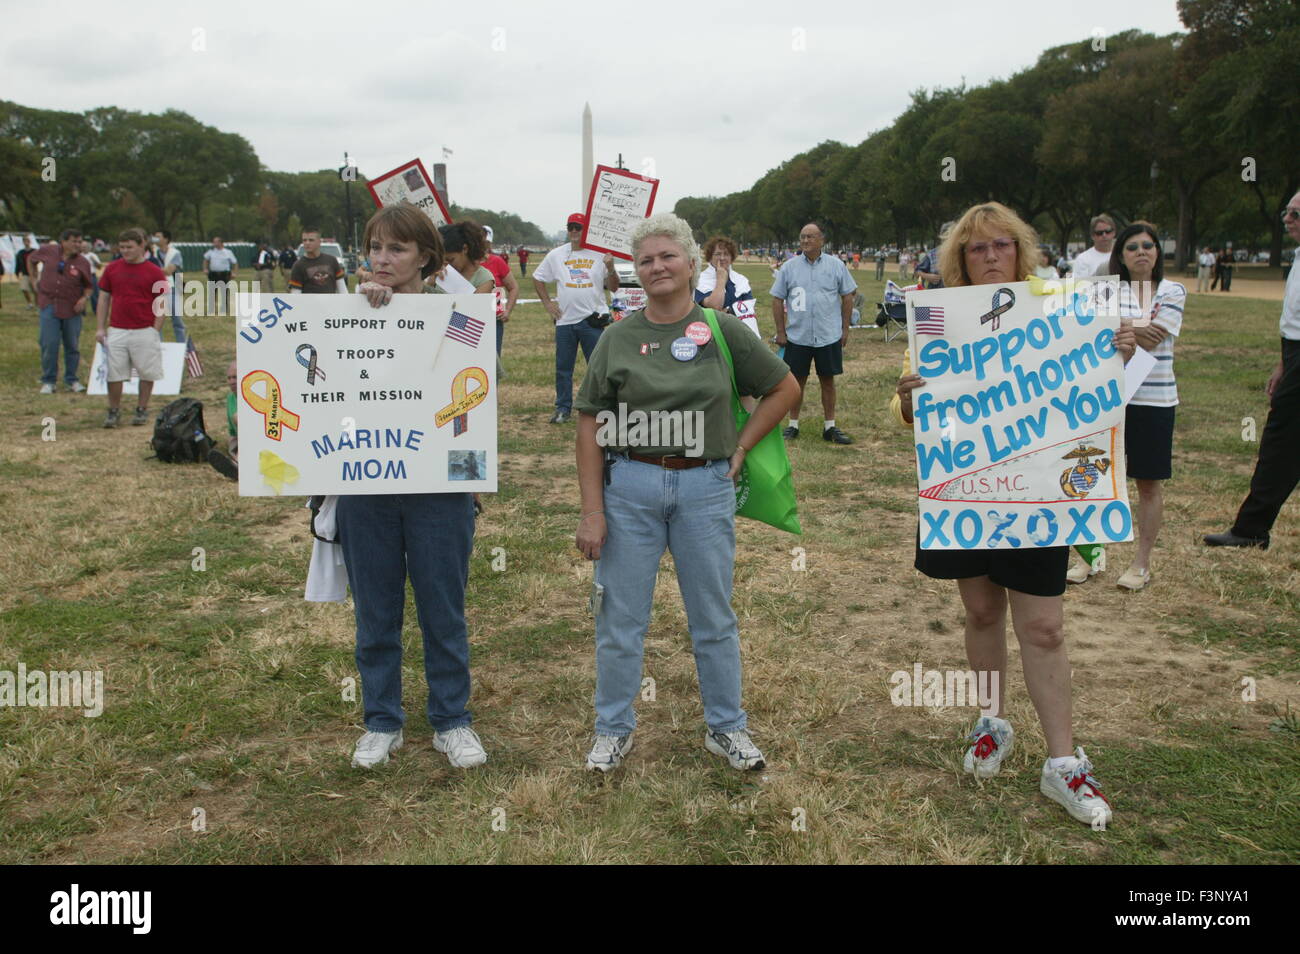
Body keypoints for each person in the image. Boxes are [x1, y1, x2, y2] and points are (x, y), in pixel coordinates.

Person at [892, 201, 1136, 827]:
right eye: (978, 249)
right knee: (979, 611)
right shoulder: (940, 319)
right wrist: (908, 398)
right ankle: (991, 721)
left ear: (1020, 251)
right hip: (968, 490)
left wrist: (1119, 351)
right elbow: (916, 416)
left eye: (1002, 245)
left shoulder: (1060, 309)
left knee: (1045, 628)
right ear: (960, 260)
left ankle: (1064, 762)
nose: (992, 256)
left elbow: (1091, 385)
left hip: (1038, 496)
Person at [573, 212, 800, 773]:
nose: (657, 267)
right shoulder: (618, 337)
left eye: (667, 256)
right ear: (636, 273)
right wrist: (592, 510)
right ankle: (613, 730)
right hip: (630, 486)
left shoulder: (722, 329)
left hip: (705, 488)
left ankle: (727, 728)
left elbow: (784, 387)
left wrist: (742, 445)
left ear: (692, 263)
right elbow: (588, 424)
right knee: (620, 620)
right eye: (646, 260)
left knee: (713, 618)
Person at [337, 203, 488, 771]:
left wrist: (474, 475)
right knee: (375, 613)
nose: (381, 259)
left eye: (396, 249)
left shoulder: (456, 314)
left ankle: (452, 720)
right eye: (374, 247)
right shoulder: (343, 310)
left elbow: (474, 381)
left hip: (438, 487)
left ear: (426, 256)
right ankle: (382, 721)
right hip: (364, 484)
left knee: (442, 610)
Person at [1068, 222, 1185, 590]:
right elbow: (1085, 330)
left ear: (1158, 252)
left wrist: (1115, 325)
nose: (1141, 252)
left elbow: (1153, 338)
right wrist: (1126, 327)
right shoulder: (1106, 289)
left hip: (1155, 399)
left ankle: (1140, 564)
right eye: (1132, 247)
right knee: (1091, 478)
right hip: (1107, 396)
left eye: (1148, 245)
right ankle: (1091, 559)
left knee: (1147, 483)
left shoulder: (1173, 290)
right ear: (1120, 254)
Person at [1205, 192, 1300, 550]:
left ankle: (1250, 529)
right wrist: (1282, 364)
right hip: (1293, 353)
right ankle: (1251, 527)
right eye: (1287, 212)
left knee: (1281, 442)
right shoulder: (1297, 256)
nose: (1288, 219)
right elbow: (1291, 322)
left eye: (1296, 214)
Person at [771, 221, 857, 444]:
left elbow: (848, 295)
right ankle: (793, 425)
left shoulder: (836, 266)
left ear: (822, 240)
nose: (806, 241)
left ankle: (830, 427)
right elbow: (777, 298)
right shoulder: (789, 268)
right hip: (797, 335)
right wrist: (781, 331)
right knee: (796, 381)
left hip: (827, 334)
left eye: (810, 237)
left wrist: (844, 329)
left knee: (827, 380)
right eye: (802, 237)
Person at [531, 213, 618, 423]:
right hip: (565, 322)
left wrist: (611, 267)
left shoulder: (600, 255)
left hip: (592, 320)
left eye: (578, 227)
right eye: (570, 227)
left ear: (586, 229)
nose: (574, 232)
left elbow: (614, 287)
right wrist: (548, 304)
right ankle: (562, 408)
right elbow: (538, 277)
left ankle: (602, 407)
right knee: (563, 368)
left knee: (597, 367)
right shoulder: (556, 255)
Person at [96, 228, 167, 428]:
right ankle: (113, 410)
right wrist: (100, 327)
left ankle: (142, 408)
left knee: (146, 372)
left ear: (141, 246)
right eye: (122, 247)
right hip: (117, 328)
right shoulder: (112, 269)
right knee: (114, 373)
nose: (125, 251)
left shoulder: (154, 271)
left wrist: (156, 328)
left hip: (145, 329)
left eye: (129, 247)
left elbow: (161, 301)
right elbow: (103, 298)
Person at [29, 229, 94, 394]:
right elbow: (31, 259)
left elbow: (89, 286)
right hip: (49, 304)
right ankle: (49, 381)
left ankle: (72, 379)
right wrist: (33, 278)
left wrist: (84, 299)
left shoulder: (83, 262)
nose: (78, 245)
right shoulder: (48, 251)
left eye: (80, 242)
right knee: (49, 343)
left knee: (72, 345)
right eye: (74, 241)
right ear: (63, 241)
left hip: (72, 307)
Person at [695, 235, 760, 337]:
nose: (722, 258)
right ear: (710, 256)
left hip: (739, 333)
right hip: (712, 335)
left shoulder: (741, 280)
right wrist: (721, 280)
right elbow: (715, 306)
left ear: (732, 257)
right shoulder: (700, 280)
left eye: (726, 254)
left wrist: (729, 313)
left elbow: (748, 313)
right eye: (717, 254)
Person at [481, 226, 519, 355]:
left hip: (494, 320)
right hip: (470, 319)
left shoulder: (497, 261)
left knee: (492, 359)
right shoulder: (464, 263)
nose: (482, 245)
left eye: (486, 242)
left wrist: (507, 310)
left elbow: (513, 287)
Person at [152, 230, 186, 343]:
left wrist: (150, 269)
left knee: (177, 320)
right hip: (155, 288)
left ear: (166, 239)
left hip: (172, 288)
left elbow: (168, 271)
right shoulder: (151, 252)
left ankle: (182, 346)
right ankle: (158, 345)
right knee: (157, 319)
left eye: (158, 237)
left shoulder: (175, 253)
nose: (155, 239)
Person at [289, 228, 346, 294]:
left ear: (319, 241)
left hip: (330, 303)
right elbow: (295, 294)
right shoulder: (298, 265)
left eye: (311, 240)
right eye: (304, 240)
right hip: (309, 303)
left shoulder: (332, 260)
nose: (307, 243)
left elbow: (342, 289)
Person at [208, 360, 239, 481]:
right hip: (238, 438)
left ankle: (237, 466)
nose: (231, 381)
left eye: (235, 377)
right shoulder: (230, 398)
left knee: (237, 417)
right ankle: (235, 463)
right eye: (229, 378)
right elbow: (232, 430)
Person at [1071, 214, 1116, 278]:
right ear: (1092, 236)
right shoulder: (1083, 259)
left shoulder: (1123, 255)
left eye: (1108, 231)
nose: (1104, 235)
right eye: (1099, 233)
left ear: (1114, 232)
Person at [203, 236, 239, 315]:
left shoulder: (227, 252)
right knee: (212, 291)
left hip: (224, 274)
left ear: (221, 243)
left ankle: (224, 309)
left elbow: (235, 263)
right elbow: (206, 260)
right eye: (214, 242)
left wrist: (234, 272)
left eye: (216, 242)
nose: (214, 243)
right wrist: (205, 269)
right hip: (213, 274)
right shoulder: (211, 252)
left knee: (224, 291)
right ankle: (211, 309)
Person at [16, 235, 37, 310]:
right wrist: (17, 272)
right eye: (24, 241)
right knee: (24, 289)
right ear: (23, 242)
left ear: (30, 242)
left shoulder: (34, 251)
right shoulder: (20, 253)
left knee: (35, 290)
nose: (26, 242)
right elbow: (18, 263)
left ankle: (37, 304)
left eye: (27, 241)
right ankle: (30, 303)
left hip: (34, 274)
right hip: (25, 273)